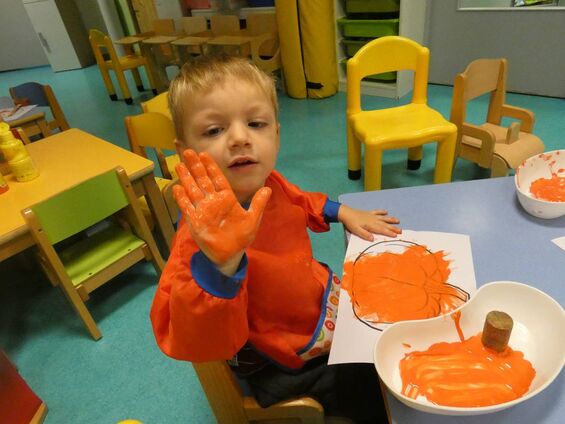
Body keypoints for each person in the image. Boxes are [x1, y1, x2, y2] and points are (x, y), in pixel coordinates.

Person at [150, 54, 401, 422]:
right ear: (183, 150)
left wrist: (340, 211)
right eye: (214, 130)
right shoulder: (200, 240)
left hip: (312, 307)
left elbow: (299, 199)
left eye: (255, 123)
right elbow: (192, 337)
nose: (239, 138)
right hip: (278, 359)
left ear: (276, 134)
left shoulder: (268, 181)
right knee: (367, 384)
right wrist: (221, 265)